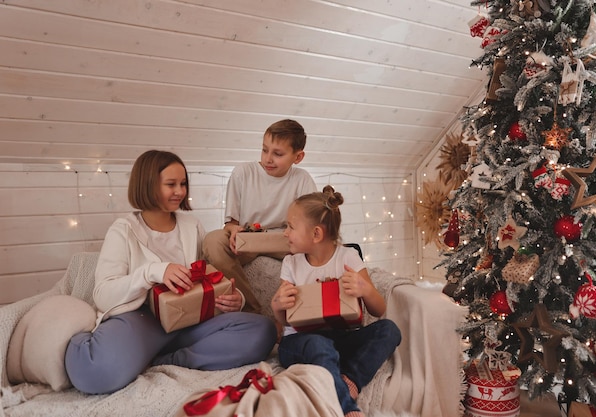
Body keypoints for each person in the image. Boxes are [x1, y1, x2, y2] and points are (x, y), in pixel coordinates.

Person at [64, 150, 277, 395]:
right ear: (148, 185)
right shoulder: (123, 230)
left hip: (189, 321)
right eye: (171, 184)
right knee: (93, 373)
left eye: (183, 184)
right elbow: (103, 294)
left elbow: (206, 277)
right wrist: (153, 272)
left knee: (263, 330)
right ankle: (143, 352)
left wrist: (235, 298)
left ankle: (169, 360)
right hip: (143, 320)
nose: (180, 191)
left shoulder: (191, 225)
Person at [271, 186, 402, 417]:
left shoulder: (348, 257)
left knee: (389, 330)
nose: (285, 233)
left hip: (341, 337)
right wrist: (277, 305)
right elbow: (284, 320)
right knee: (320, 346)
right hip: (299, 342)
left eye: (290, 227)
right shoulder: (291, 264)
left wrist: (365, 290)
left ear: (316, 234)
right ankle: (346, 407)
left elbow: (379, 310)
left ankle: (349, 379)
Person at [202, 119, 317, 313]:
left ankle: (310, 311)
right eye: (265, 150)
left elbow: (310, 224)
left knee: (317, 243)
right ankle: (253, 310)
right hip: (249, 238)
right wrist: (234, 231)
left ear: (298, 157)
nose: (268, 159)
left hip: (284, 240)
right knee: (213, 241)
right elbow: (230, 224)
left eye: (278, 154)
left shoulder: (302, 179)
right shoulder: (243, 173)